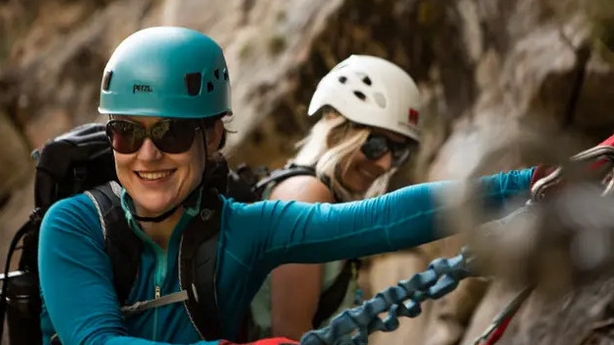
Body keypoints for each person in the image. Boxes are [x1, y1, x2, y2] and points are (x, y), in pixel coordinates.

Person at [38, 26, 537, 345]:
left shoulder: (249, 230)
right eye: (126, 132)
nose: (147, 155)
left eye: (172, 131)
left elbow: (380, 220)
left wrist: (525, 183)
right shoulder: (74, 225)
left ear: (212, 134)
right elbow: (96, 341)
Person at [249, 54, 423, 340]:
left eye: (398, 152)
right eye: (376, 144)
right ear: (334, 122)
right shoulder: (305, 196)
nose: (385, 164)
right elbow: (290, 334)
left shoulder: (324, 199)